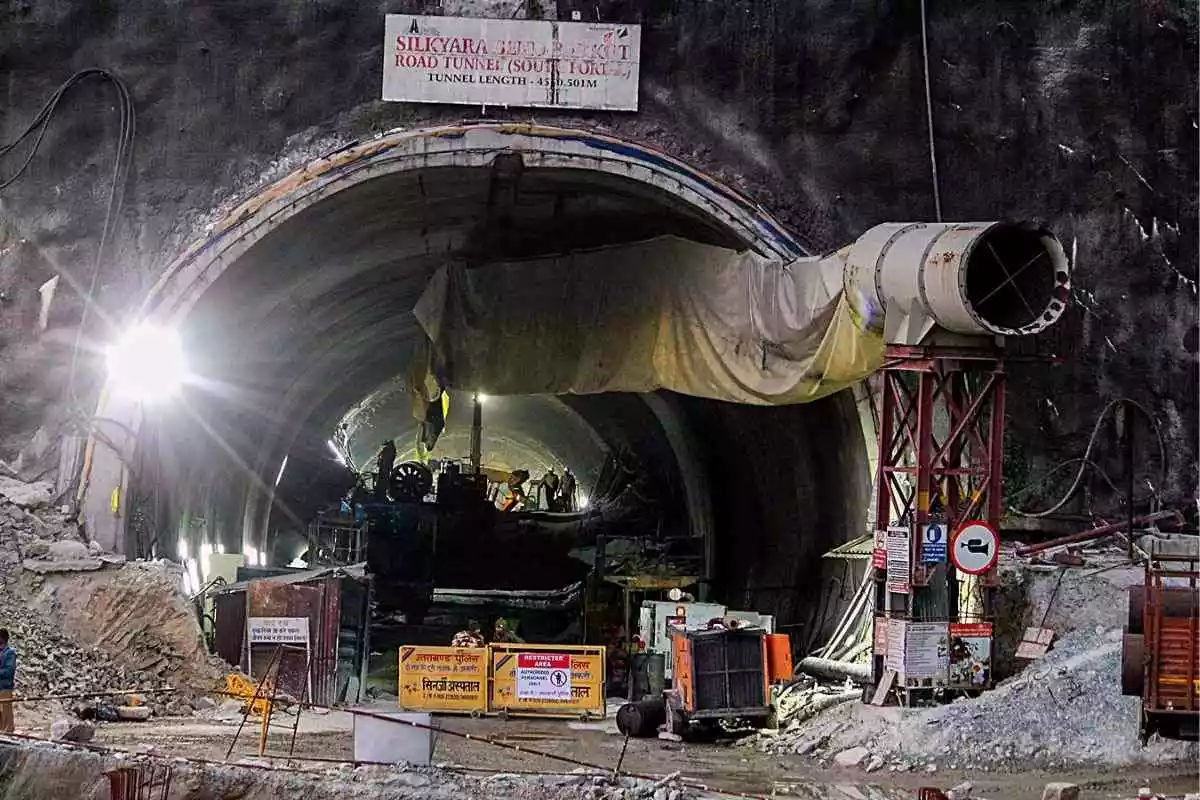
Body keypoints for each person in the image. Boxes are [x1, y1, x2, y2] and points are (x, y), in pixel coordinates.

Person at [0, 629, 15, 733]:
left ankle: (8, 733)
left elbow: (9, 671)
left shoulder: (9, 653)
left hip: (5, 687)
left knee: (6, 712)